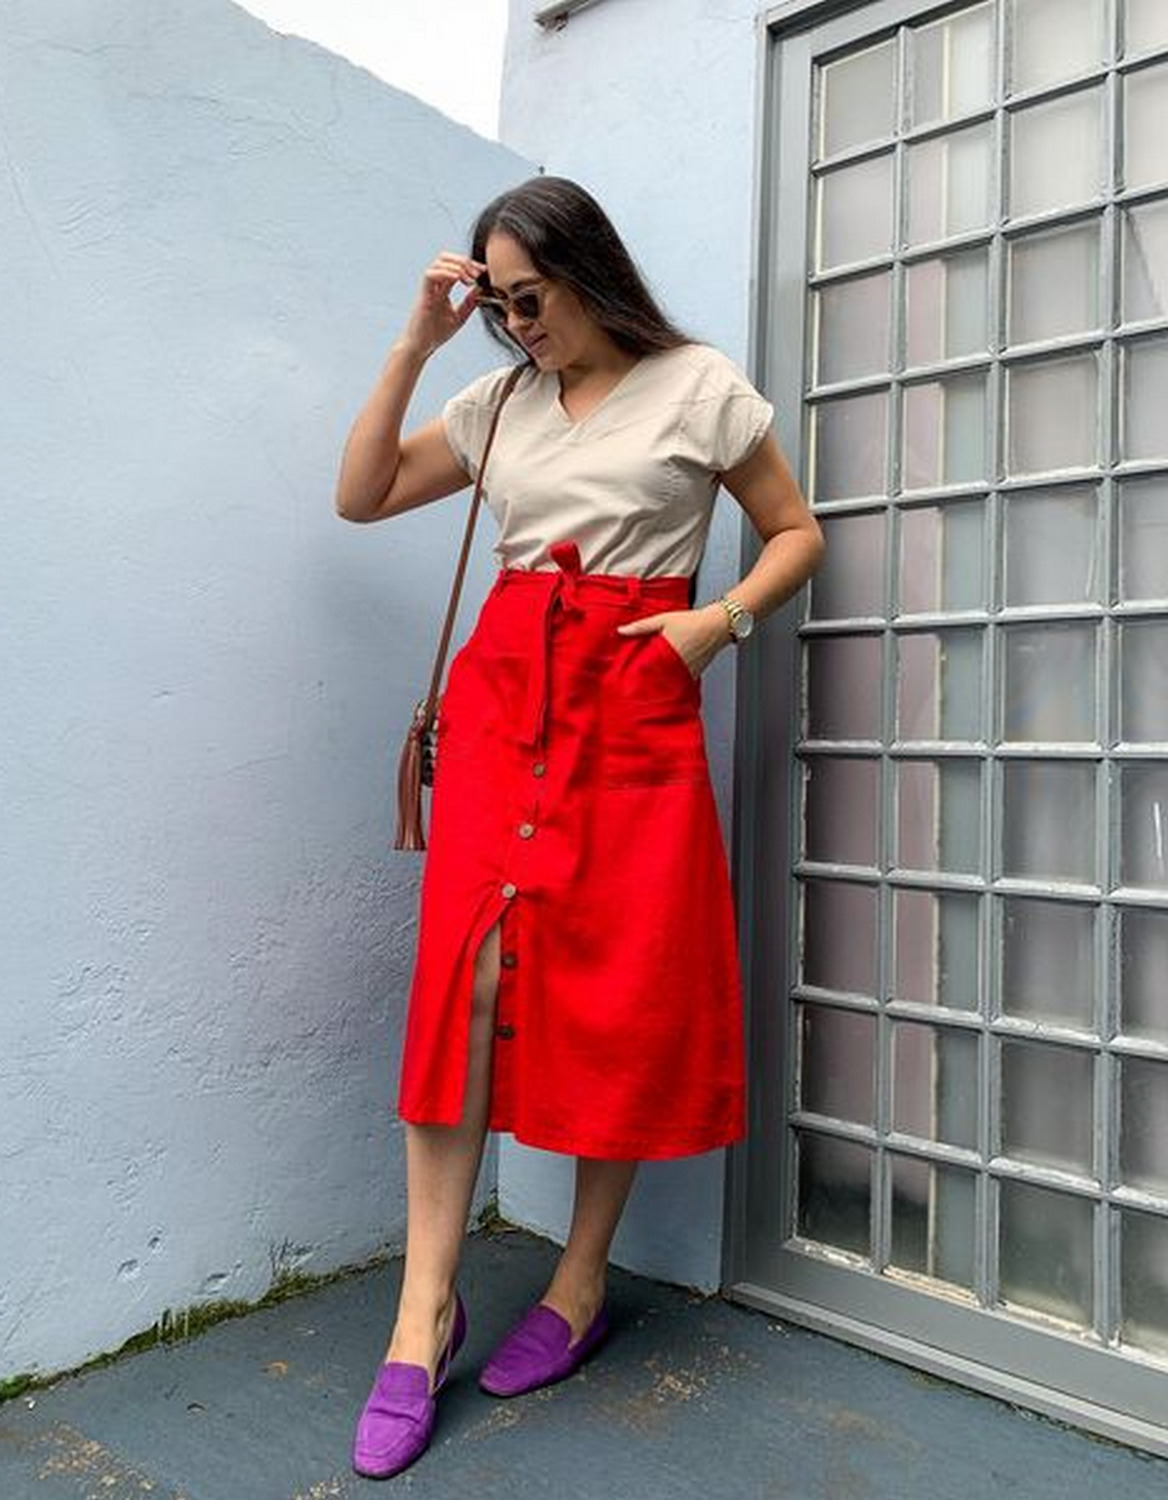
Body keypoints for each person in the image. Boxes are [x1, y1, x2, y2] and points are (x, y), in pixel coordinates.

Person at [335, 176, 823, 1479]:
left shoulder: (700, 385)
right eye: (498, 306)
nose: (518, 326)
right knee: (467, 988)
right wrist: (417, 343)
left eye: (529, 299)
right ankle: (418, 1318)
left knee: (616, 988)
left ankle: (577, 1287)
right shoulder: (492, 402)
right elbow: (362, 492)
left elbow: (794, 533)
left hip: (632, 702)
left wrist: (713, 628)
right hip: (505, 709)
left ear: (584, 270)